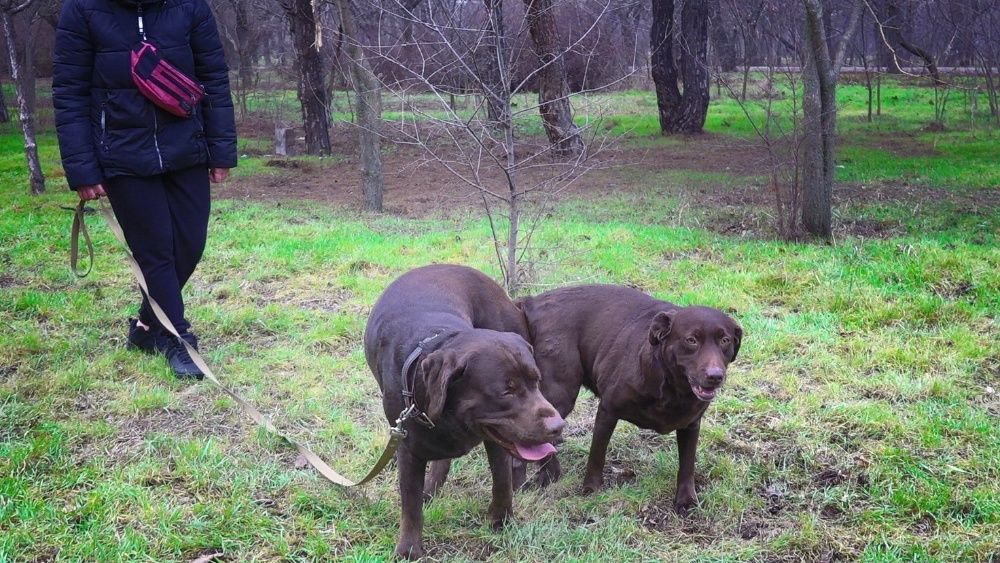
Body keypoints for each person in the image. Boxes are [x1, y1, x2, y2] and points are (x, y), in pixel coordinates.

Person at [53, 0, 237, 379]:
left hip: (186, 145)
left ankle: (146, 324)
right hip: (121, 155)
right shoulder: (82, 10)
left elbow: (214, 78)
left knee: (189, 244)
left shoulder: (190, 7)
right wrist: (83, 168)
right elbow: (69, 93)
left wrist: (221, 150)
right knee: (155, 252)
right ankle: (178, 338)